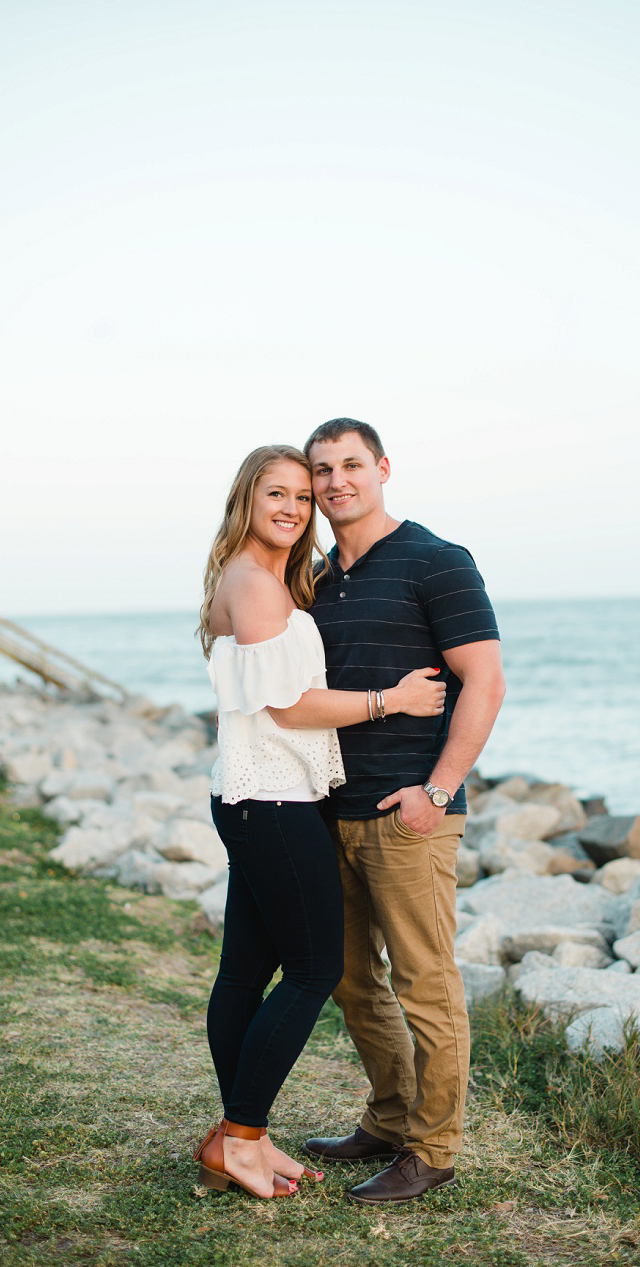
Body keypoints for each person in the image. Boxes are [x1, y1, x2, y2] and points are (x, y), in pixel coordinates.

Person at [192, 444, 447, 1200]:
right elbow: (288, 706)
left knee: (244, 969)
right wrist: (390, 701)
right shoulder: (256, 584)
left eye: (304, 497)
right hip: (272, 801)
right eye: (279, 493)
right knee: (313, 971)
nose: (295, 508)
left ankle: (242, 1136)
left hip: (252, 793)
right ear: (248, 497)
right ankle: (240, 1137)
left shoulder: (252, 577)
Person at [301, 417, 506, 1204]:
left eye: (351, 464)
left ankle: (433, 1148)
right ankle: (389, 1119)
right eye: (322, 470)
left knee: (426, 983)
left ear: (383, 468)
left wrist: (439, 790)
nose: (335, 481)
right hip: (329, 812)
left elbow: (483, 682)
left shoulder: (437, 561)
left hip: (409, 814)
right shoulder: (313, 579)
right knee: (352, 980)